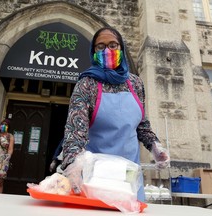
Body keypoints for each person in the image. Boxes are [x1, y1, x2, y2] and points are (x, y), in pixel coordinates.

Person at [61, 27, 170, 201]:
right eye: (100, 47)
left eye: (113, 45)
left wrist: (155, 147)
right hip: (96, 177)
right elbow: (75, 131)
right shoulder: (86, 84)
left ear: (121, 48)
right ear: (93, 51)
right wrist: (73, 165)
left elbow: (141, 124)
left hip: (129, 178)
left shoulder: (135, 84)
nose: (107, 51)